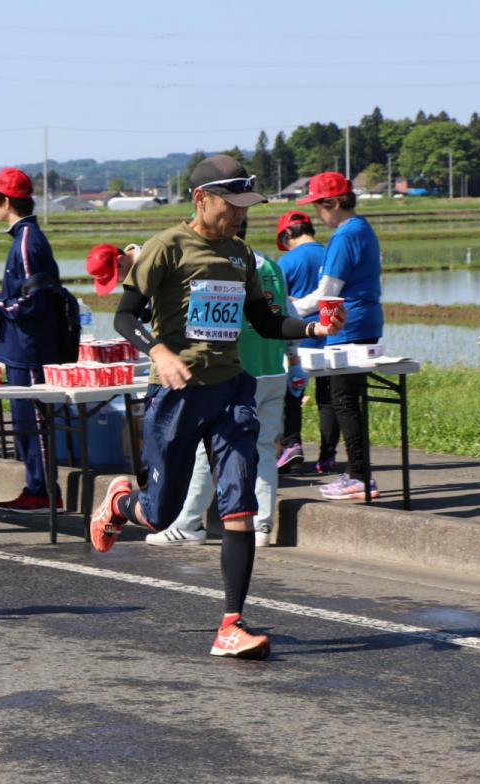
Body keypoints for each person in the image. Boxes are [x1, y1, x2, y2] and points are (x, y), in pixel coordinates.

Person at [88, 155, 344, 658]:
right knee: (161, 516)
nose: (239, 216)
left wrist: (313, 329)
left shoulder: (241, 256)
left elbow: (268, 322)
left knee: (239, 506)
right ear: (202, 198)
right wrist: (159, 352)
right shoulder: (165, 248)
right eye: (232, 205)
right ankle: (121, 502)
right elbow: (123, 318)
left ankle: (231, 624)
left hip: (232, 391)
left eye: (246, 207)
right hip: (177, 396)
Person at [145, 247, 302, 549]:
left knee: (208, 450)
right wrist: (294, 360)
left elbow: (207, 325)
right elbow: (285, 313)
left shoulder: (218, 266)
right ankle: (263, 525)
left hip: (235, 373)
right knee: (265, 448)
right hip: (273, 369)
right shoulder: (271, 266)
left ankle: (189, 522)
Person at [0, 167, 63, 513]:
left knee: (35, 424)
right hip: (21, 348)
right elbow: (24, 289)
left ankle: (43, 489)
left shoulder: (26, 241)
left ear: (5, 201)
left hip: (30, 348)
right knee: (24, 423)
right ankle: (34, 485)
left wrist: (0, 305)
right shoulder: (26, 238)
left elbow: (34, 299)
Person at [293, 172, 383, 500]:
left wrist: (290, 313)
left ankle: (358, 475)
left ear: (332, 203)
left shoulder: (345, 236)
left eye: (318, 206)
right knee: (350, 401)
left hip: (347, 326)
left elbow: (327, 292)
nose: (318, 214)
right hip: (367, 323)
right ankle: (358, 473)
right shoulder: (364, 228)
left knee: (344, 401)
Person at [275, 210, 338, 474]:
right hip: (331, 338)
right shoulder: (330, 256)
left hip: (300, 342)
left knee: (291, 395)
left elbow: (278, 302)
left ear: (288, 233)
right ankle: (327, 457)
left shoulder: (286, 262)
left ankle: (292, 446)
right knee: (328, 398)